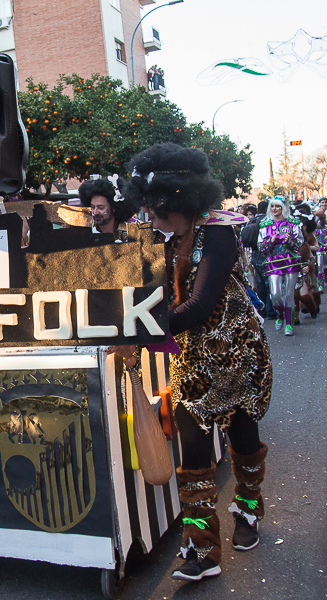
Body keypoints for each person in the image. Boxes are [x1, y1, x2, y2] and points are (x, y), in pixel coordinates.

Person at [120, 143, 272, 582]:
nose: (148, 218)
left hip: (237, 353)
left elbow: (201, 305)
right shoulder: (157, 239)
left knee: (244, 440)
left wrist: (140, 332)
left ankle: (248, 510)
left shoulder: (219, 231)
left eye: (153, 209)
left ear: (176, 200)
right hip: (192, 358)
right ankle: (203, 550)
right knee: (194, 456)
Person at [257, 197, 304, 335]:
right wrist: (270, 241)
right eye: (272, 206)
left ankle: (289, 324)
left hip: (290, 260)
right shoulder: (265, 225)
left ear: (283, 207)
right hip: (273, 261)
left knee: (289, 293)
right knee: (275, 294)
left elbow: (299, 243)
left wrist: (290, 241)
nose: (275, 209)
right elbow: (261, 247)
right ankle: (280, 314)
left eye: (278, 206)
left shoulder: (293, 223)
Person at [78, 176, 137, 240]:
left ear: (114, 207)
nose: (95, 212)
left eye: (101, 207)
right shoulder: (85, 232)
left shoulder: (131, 231)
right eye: (93, 207)